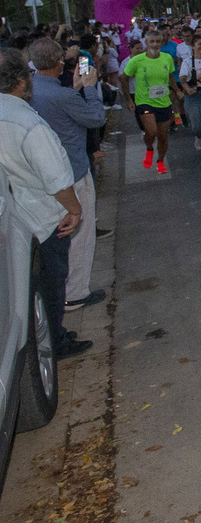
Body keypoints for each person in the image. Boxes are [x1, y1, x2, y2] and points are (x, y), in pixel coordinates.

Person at [0, 49, 91, 358]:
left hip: (18, 217)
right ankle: (55, 342)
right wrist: (75, 209)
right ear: (20, 81)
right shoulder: (27, 123)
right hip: (44, 218)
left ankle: (53, 334)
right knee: (52, 285)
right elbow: (55, 178)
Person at [28, 38, 108, 314]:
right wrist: (89, 88)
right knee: (81, 234)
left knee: (57, 236)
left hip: (41, 177)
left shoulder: (29, 90)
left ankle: (63, 292)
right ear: (58, 62)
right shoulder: (63, 96)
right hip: (72, 171)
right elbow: (96, 118)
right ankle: (75, 293)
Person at [121, 31, 176, 174]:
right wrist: (128, 99)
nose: (155, 45)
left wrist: (177, 90)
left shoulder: (167, 58)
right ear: (146, 43)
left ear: (161, 42)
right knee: (151, 131)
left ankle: (160, 161)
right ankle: (150, 148)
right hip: (144, 102)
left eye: (157, 41)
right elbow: (124, 78)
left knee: (163, 136)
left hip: (163, 102)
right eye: (152, 42)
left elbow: (170, 77)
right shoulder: (136, 60)